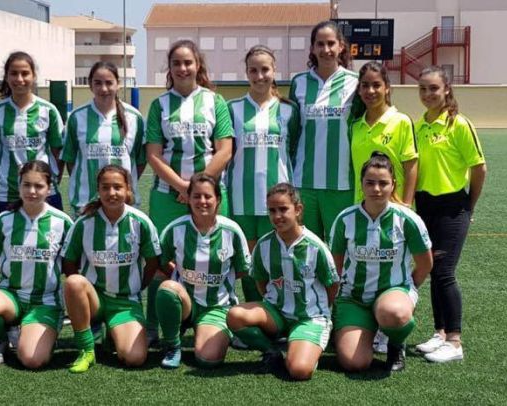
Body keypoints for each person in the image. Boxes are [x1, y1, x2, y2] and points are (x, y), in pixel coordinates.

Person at [145, 39, 234, 343]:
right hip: (167, 194)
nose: (183, 68)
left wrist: (197, 189)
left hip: (208, 194)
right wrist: (182, 187)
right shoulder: (159, 105)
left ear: (198, 65)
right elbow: (154, 155)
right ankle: (153, 326)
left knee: (213, 255)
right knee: (161, 259)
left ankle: (217, 315)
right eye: (176, 63)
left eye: (188, 62)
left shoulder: (214, 101)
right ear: (169, 68)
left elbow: (224, 150)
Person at [330, 153, 433, 372]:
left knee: (394, 312)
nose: (376, 189)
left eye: (383, 183)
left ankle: (396, 343)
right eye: (370, 182)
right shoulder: (345, 219)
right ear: (362, 184)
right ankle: (358, 328)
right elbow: (336, 266)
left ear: (393, 184)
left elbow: (425, 264)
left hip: (391, 291)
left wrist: (406, 290)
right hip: (354, 298)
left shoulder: (407, 219)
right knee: (355, 363)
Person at [227, 183, 339, 380]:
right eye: (272, 210)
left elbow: (332, 286)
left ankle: (306, 344)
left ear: (298, 210)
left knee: (299, 370)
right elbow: (261, 282)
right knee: (235, 315)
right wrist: (272, 303)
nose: (277, 216)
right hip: (277, 312)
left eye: (283, 209)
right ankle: (271, 351)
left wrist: (318, 309)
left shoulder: (315, 247)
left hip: (309, 317)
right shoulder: (264, 245)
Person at [414, 66, 487, 363]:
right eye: (423, 89)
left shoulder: (458, 124)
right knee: (433, 269)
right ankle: (439, 333)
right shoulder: (418, 126)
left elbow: (479, 167)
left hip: (453, 206)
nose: (428, 94)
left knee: (444, 272)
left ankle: (455, 341)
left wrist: (469, 205)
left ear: (447, 90)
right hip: (425, 205)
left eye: (434, 88)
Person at [0, 160, 72, 369]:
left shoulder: (62, 221)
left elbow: (72, 264)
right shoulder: (4, 220)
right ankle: (1, 339)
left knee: (33, 360)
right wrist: (17, 268)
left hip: (45, 301)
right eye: (26, 185)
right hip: (11, 295)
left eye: (38, 186)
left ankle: (41, 332)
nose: (32, 191)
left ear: (49, 188)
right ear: (19, 185)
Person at [61, 165, 160, 372]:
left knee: (135, 358)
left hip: (125, 302)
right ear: (98, 190)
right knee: (73, 282)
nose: (111, 193)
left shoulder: (141, 222)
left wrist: (137, 286)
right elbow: (69, 263)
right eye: (105, 188)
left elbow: (152, 263)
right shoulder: (84, 222)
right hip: (95, 299)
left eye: (117, 187)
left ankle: (111, 335)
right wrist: (82, 297)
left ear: (128, 190)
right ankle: (87, 350)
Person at [155, 173, 251, 369]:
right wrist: (179, 274)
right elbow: (162, 263)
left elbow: (242, 270)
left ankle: (217, 330)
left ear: (218, 200)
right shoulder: (175, 229)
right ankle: (173, 345)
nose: (202, 201)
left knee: (208, 359)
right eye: (196, 196)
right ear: (188, 199)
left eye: (208, 196)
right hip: (186, 302)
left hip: (216, 306)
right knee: (167, 288)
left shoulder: (232, 231)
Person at [227, 45, 298, 302]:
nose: (259, 76)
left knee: (277, 256)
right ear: (246, 73)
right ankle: (253, 310)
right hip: (241, 197)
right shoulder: (232, 109)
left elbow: (292, 150)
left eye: (265, 69)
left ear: (274, 70)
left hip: (277, 198)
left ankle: (279, 308)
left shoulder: (289, 111)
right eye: (253, 70)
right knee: (248, 260)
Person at [289, 20, 362, 241]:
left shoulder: (355, 82)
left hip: (341, 183)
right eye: (320, 44)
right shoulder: (299, 82)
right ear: (312, 48)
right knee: (307, 246)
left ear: (341, 46)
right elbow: (293, 132)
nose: (326, 50)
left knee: (339, 246)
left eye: (331, 43)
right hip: (304, 183)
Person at [61, 61, 145, 215]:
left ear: (118, 84)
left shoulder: (134, 117)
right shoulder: (76, 117)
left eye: (109, 83)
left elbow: (139, 161)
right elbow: (71, 161)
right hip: (86, 203)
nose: (103, 88)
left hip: (124, 203)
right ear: (90, 85)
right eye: (98, 83)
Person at [0, 51, 64, 213]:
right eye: (14, 73)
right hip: (7, 193)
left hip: (43, 192)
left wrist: (50, 178)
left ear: (34, 76)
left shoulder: (48, 110)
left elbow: (58, 152)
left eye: (25, 73)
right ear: (7, 77)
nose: (19, 79)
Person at [350, 61, 417, 205]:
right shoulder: (355, 126)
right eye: (365, 85)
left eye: (376, 85)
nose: (370, 91)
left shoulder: (401, 121)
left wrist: (406, 205)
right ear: (359, 90)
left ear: (387, 88)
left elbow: (411, 167)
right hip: (362, 207)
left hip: (393, 208)